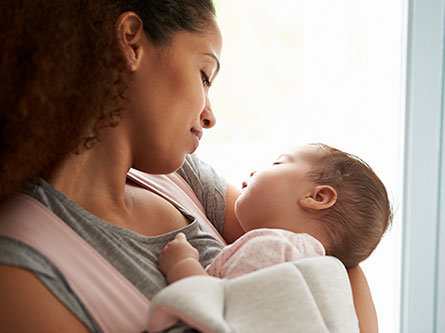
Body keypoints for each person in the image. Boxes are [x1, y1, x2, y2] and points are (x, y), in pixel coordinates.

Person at [0, 1, 378, 331]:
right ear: (131, 41)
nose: (210, 116)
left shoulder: (181, 178)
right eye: (204, 75)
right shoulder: (23, 269)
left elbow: (331, 248)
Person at [159, 143, 392, 281]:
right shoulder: (319, 272)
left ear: (317, 197)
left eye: (278, 163)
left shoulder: (274, 251)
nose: (254, 171)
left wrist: (183, 265)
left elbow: (214, 311)